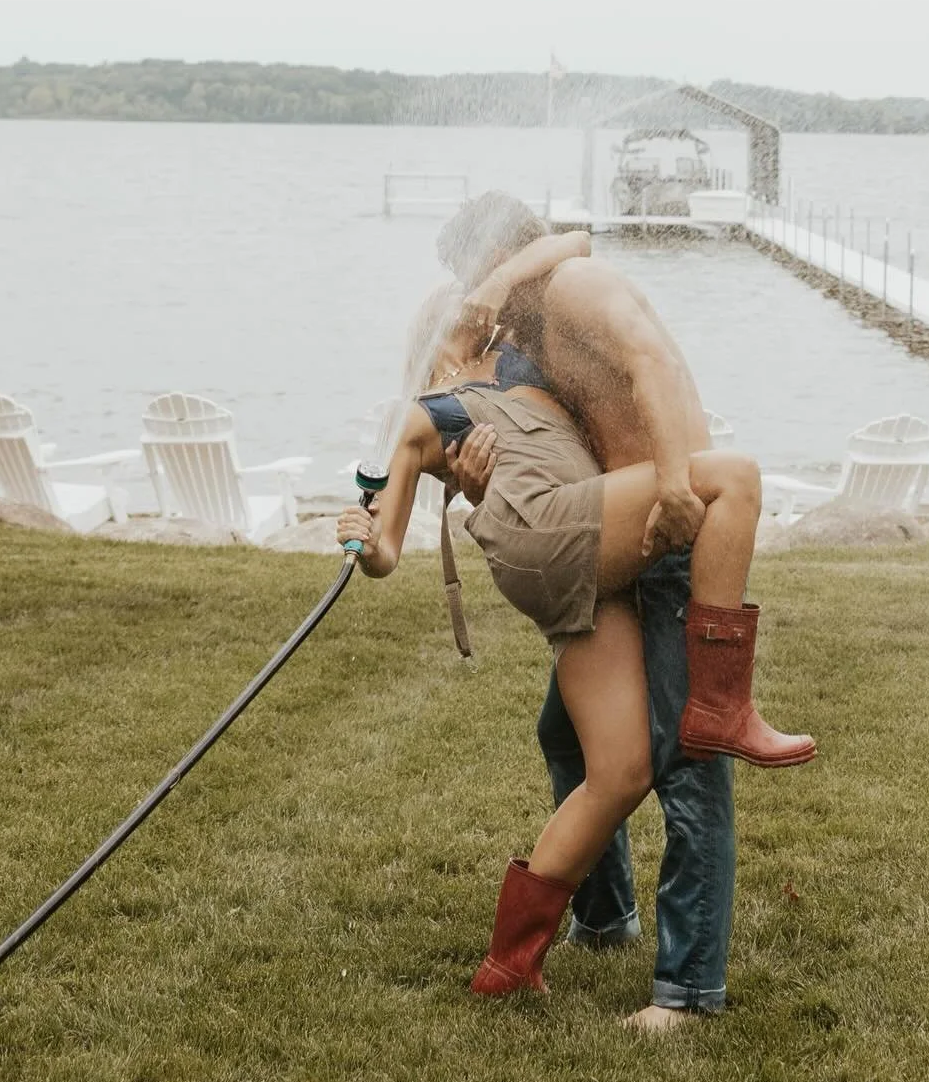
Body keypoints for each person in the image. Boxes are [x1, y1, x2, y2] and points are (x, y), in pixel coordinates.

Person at [339, 198, 814, 1016]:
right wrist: (369, 535)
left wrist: (499, 286)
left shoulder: (530, 341)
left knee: (607, 759)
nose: (469, 311)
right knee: (690, 750)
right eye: (453, 309)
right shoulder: (429, 411)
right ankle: (687, 984)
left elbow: (575, 249)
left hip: (608, 540)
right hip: (578, 537)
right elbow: (389, 539)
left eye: (468, 288)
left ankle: (528, 953)